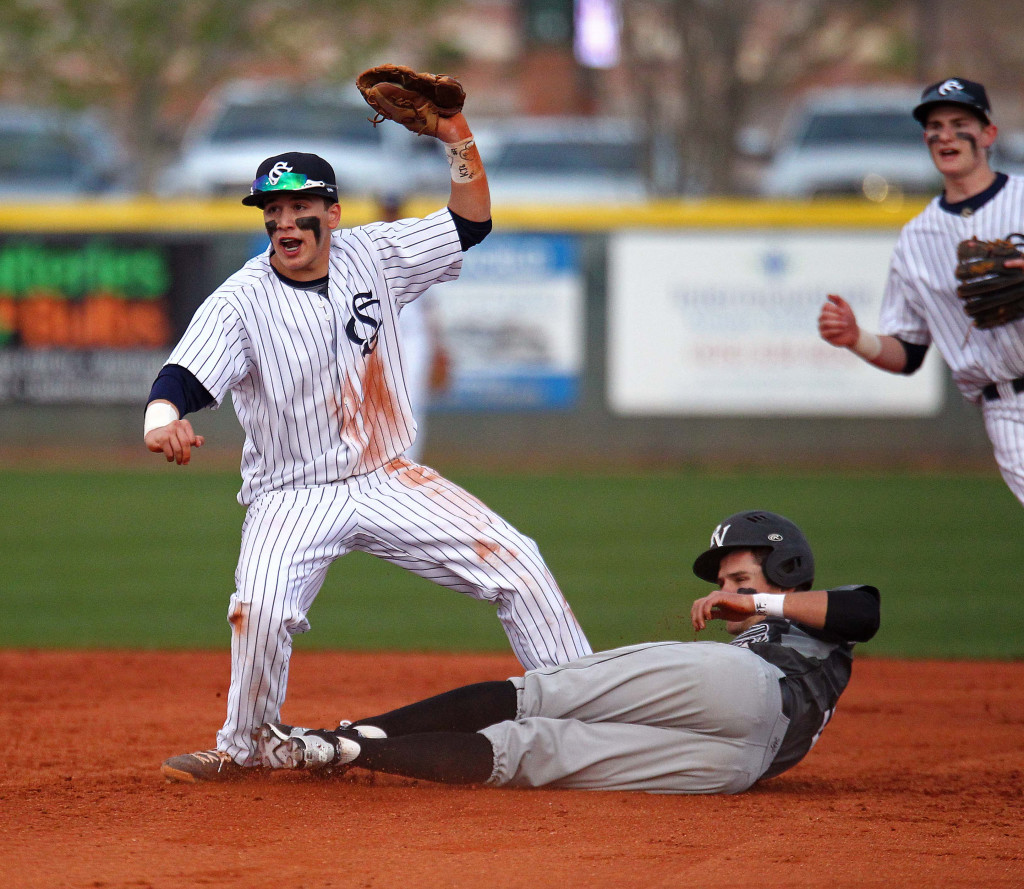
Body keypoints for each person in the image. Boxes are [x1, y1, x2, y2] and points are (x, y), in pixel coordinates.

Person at [144, 88, 592, 783]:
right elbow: (181, 376)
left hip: (388, 475)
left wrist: (458, 136)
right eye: (273, 213)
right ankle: (244, 744)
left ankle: (589, 716)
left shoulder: (373, 254)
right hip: (291, 493)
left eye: (299, 209)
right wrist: (161, 420)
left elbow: (469, 223)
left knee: (520, 563)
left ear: (331, 212)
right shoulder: (242, 298)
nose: (285, 224)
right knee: (258, 609)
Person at [253, 510, 881, 795]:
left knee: (546, 692)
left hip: (750, 693)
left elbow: (866, 613)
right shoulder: (774, 632)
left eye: (740, 580)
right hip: (739, 772)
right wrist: (750, 604)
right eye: (723, 585)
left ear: (791, 571)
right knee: (539, 752)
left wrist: (760, 605)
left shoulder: (820, 613)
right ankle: (342, 747)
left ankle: (344, 738)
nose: (727, 595)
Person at [818, 77, 1024, 506]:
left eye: (959, 122)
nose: (945, 134)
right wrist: (857, 338)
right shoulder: (916, 239)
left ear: (989, 134)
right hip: (1008, 409)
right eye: (935, 125)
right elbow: (908, 352)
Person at [377, 192, 452, 464]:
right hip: (380, 338)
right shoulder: (367, 248)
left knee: (413, 402)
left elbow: (429, 305)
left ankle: (409, 464)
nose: (390, 213)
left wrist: (438, 345)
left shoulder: (416, 250)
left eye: (393, 208)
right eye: (387, 208)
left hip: (413, 338)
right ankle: (384, 464)